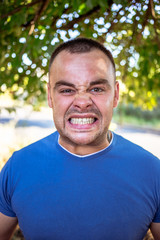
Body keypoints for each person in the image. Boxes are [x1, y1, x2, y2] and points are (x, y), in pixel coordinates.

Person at [0, 38, 160, 240]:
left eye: (96, 89)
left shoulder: (153, 171)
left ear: (116, 94)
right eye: (67, 90)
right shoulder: (18, 167)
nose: (82, 102)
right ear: (50, 96)